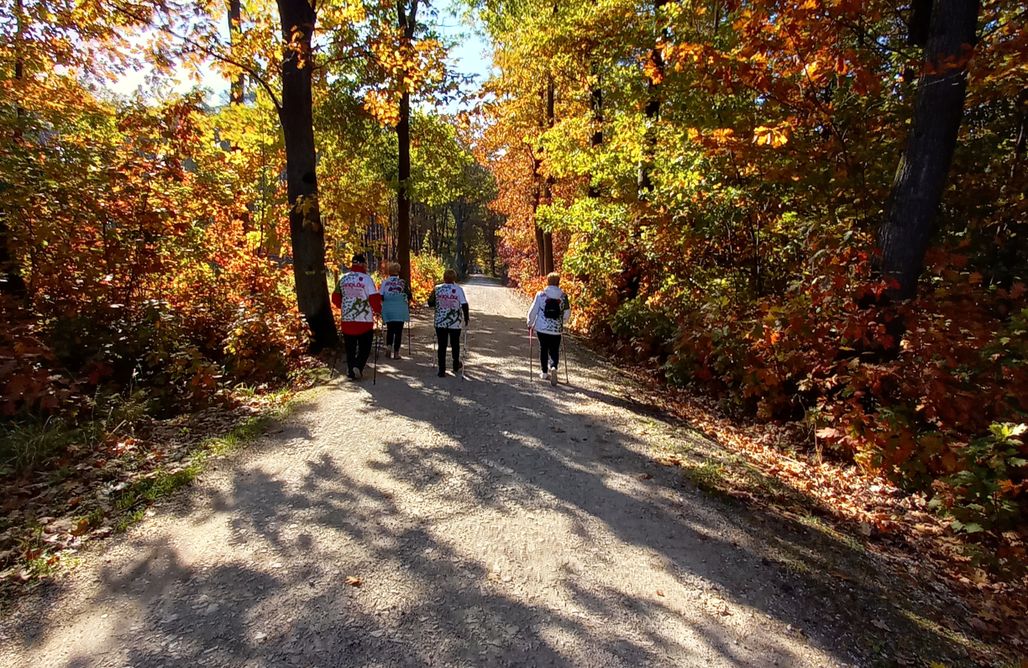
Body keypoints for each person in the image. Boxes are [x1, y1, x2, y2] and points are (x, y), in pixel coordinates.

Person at [332, 253, 382, 380]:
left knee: (350, 346)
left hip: (347, 318)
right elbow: (374, 298)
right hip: (364, 319)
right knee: (365, 346)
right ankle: (358, 366)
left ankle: (350, 370)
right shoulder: (367, 279)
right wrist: (378, 311)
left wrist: (342, 307)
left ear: (352, 264)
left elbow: (335, 298)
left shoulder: (343, 278)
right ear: (363, 264)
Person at [527, 272, 571, 386]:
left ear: (547, 281)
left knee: (543, 348)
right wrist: (562, 322)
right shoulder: (564, 297)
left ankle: (544, 372)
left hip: (542, 329)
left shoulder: (540, 295)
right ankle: (554, 367)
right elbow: (567, 314)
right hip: (556, 330)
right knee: (554, 349)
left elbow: (533, 311)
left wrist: (530, 323)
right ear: (558, 282)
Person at [428, 268, 469, 377]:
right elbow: (464, 304)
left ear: (444, 277)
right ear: (454, 278)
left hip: (440, 321)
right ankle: (456, 364)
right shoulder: (458, 289)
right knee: (455, 344)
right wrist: (466, 318)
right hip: (455, 322)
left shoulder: (437, 289)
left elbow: (430, 303)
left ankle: (442, 370)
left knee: (442, 345)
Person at [380, 262, 412, 359]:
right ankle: (396, 353)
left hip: (389, 308)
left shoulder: (385, 282)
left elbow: (381, 295)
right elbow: (409, 296)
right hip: (400, 308)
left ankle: (389, 346)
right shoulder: (402, 282)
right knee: (398, 331)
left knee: (390, 329)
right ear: (398, 271)